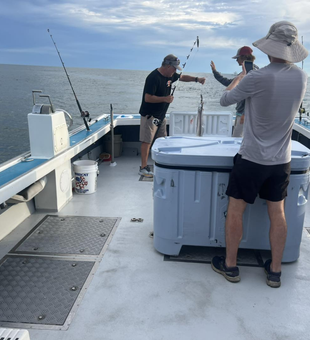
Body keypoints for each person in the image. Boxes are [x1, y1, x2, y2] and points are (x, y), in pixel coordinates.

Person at [211, 21, 308, 288]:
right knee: (277, 211)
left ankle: (231, 266)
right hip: (281, 161)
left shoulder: (257, 77)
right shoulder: (301, 77)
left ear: (269, 47)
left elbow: (224, 100)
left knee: (236, 210)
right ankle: (275, 271)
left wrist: (240, 77)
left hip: (252, 158)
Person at [139, 54, 206, 177]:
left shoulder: (170, 76)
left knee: (162, 140)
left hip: (161, 115)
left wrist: (197, 79)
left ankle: (162, 163)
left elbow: (182, 77)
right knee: (147, 141)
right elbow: (147, 98)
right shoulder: (153, 77)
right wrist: (165, 99)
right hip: (150, 115)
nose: (175, 71)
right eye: (174, 68)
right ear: (168, 66)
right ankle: (143, 167)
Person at [210, 46, 258, 137]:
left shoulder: (249, 73)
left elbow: (250, 94)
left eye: (237, 58)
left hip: (244, 116)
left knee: (237, 139)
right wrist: (215, 72)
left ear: (243, 57)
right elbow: (230, 83)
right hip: (245, 115)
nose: (236, 60)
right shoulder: (248, 71)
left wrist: (245, 113)